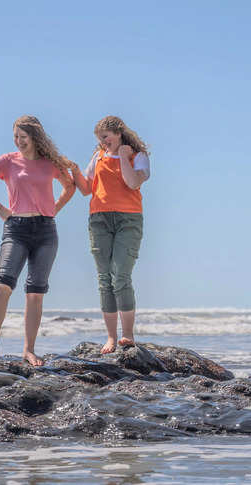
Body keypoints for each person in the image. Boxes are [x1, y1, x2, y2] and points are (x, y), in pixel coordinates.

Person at [0, 115, 75, 366]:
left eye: (23, 137)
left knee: (36, 292)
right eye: (15, 137)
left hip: (46, 231)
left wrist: (55, 207)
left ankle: (29, 350)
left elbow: (69, 187)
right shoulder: (8, 161)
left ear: (35, 137)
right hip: (16, 228)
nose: (18, 142)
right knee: (2, 284)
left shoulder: (50, 163)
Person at [70, 115, 151, 354]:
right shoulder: (98, 157)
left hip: (129, 219)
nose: (103, 142)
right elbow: (86, 190)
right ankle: (111, 338)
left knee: (121, 275)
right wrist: (74, 170)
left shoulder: (139, 157)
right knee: (105, 278)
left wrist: (124, 156)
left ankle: (128, 335)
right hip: (99, 219)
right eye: (100, 139)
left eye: (105, 137)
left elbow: (133, 183)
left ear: (118, 133)